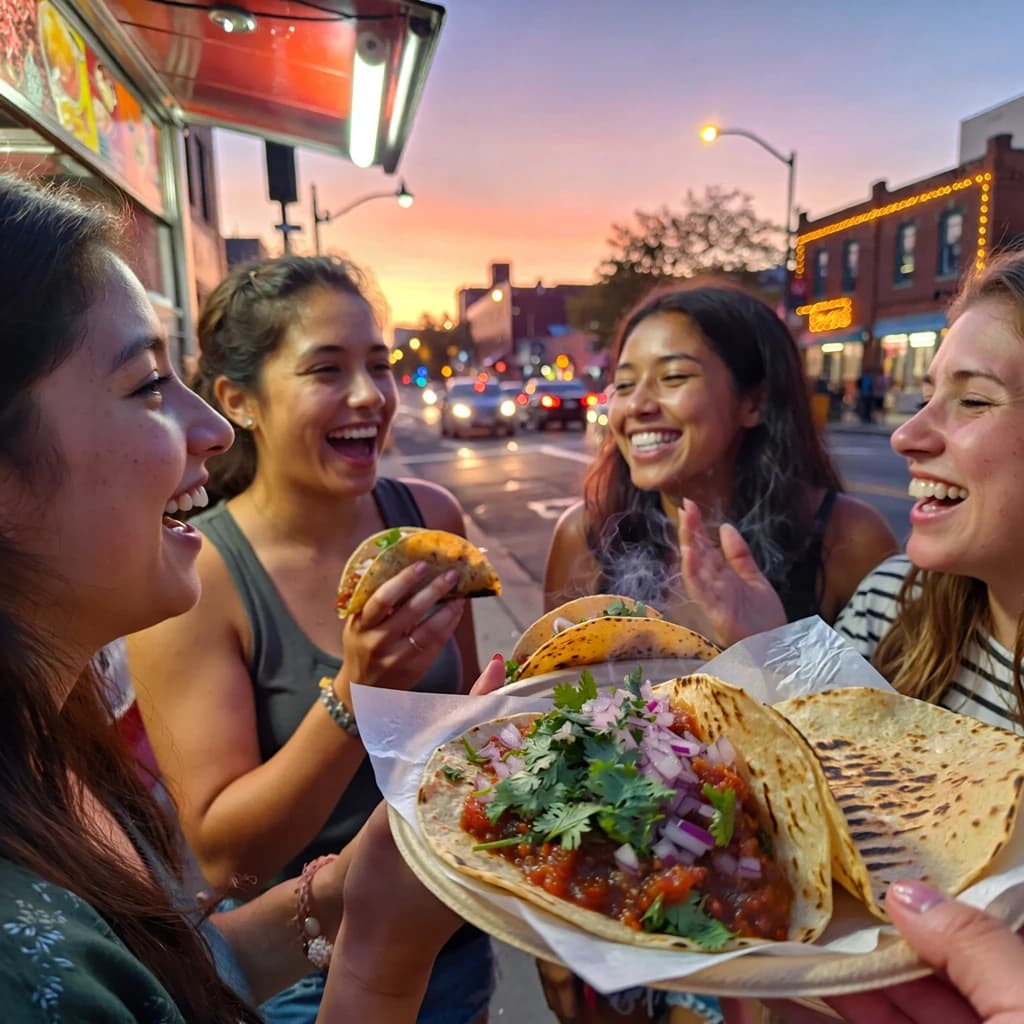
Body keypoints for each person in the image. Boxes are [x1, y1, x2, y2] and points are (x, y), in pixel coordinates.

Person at [0, 171, 486, 1022]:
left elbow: (178, 971)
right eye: (146, 384)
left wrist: (352, 890)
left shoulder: (51, 756)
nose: (210, 434)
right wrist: (380, 950)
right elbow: (222, 862)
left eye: (380, 363)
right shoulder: (25, 961)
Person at [125, 254, 493, 1024]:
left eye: (379, 365)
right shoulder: (197, 575)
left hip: (456, 943)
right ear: (239, 401)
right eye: (327, 370)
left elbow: (457, 755)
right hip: (308, 974)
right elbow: (229, 859)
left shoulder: (431, 525)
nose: (370, 396)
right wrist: (354, 692)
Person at [541, 284, 896, 1023]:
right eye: (624, 382)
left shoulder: (847, 541)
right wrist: (553, 942)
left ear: (754, 404)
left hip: (787, 930)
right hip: (616, 903)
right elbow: (551, 735)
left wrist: (765, 645)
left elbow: (884, 761)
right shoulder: (585, 538)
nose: (638, 403)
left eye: (673, 378)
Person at [682, 250, 1024, 734]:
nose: (905, 436)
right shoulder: (892, 601)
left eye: (973, 400)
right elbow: (831, 772)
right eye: (927, 398)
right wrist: (768, 651)